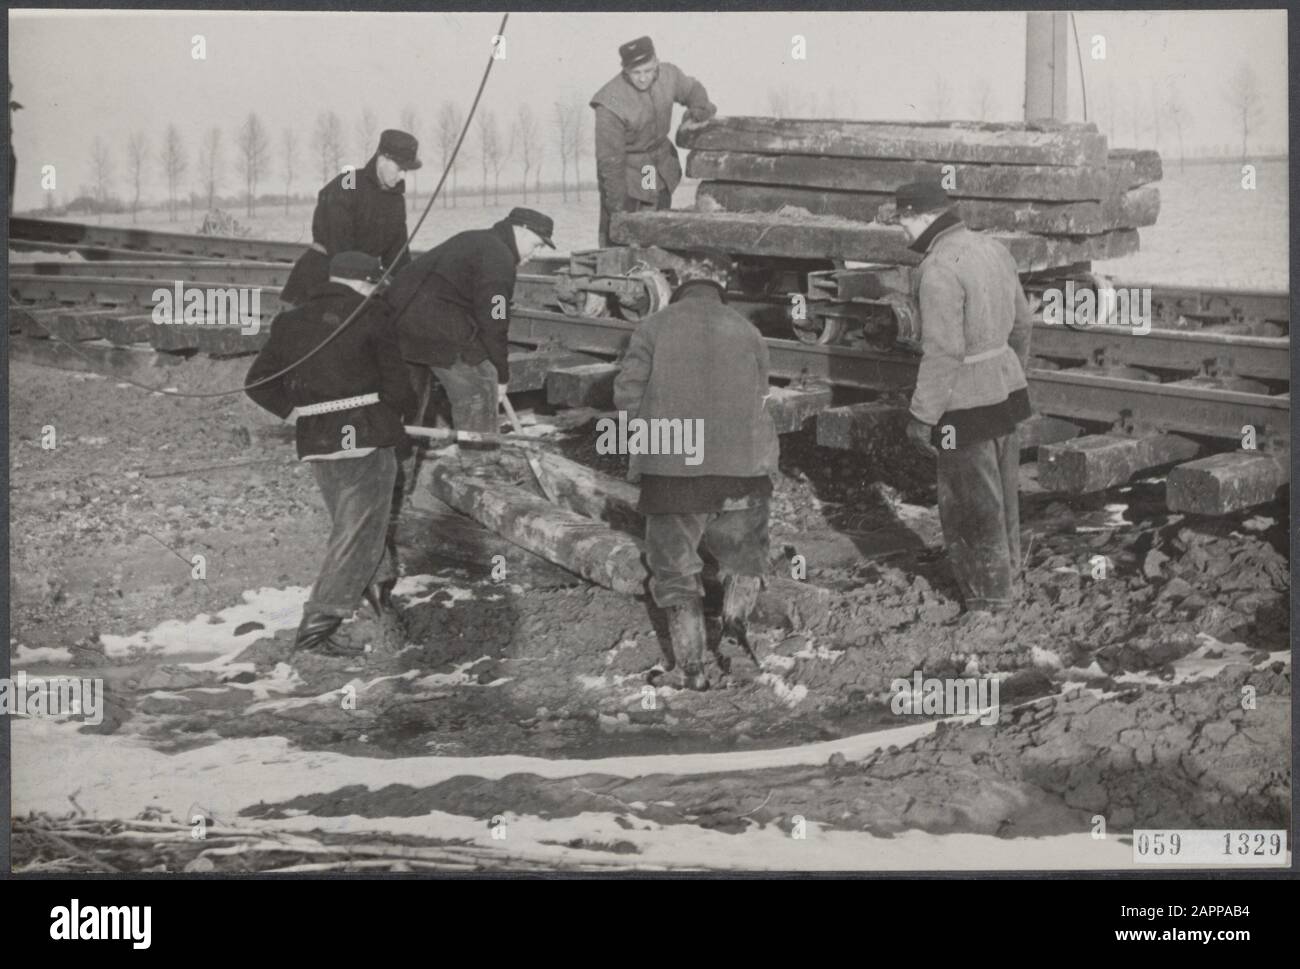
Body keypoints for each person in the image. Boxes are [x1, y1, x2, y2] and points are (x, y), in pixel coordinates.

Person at [612, 250, 779, 691]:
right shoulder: (747, 329)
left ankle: (689, 671)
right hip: (744, 470)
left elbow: (627, 396)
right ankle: (735, 638)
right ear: (720, 296)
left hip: (672, 473)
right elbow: (762, 394)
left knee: (674, 570)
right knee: (744, 559)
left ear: (678, 294)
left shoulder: (652, 326)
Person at [245, 251, 419, 655]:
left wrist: (297, 413)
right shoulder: (371, 315)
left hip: (317, 440)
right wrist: (399, 417)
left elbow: (257, 383)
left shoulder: (289, 322)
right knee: (358, 530)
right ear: (366, 282)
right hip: (364, 433)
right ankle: (317, 628)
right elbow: (397, 387)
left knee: (355, 523)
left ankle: (380, 600)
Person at [888, 181, 1033, 618]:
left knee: (968, 502)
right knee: (1004, 494)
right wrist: (1010, 371)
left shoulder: (937, 269)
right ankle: (1012, 579)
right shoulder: (993, 248)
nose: (901, 231)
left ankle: (988, 602)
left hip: (962, 407)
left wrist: (921, 416)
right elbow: (1023, 323)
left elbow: (944, 351)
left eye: (901, 221)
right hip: (1006, 391)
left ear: (918, 219)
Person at [387, 207, 555, 435]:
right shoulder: (500, 258)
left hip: (398, 318)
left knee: (411, 402)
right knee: (482, 383)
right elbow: (495, 322)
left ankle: (401, 462)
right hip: (436, 322)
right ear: (521, 231)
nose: (535, 254)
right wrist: (502, 375)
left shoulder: (475, 239)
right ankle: (481, 464)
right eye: (537, 245)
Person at [591, 35, 716, 247]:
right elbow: (610, 164)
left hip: (660, 166)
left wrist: (697, 112)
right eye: (636, 73)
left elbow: (693, 90)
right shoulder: (610, 103)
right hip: (629, 176)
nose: (643, 78)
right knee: (626, 241)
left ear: (656, 62)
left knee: (660, 228)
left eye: (648, 71)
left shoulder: (669, 75)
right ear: (625, 70)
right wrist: (619, 214)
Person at [280, 129, 420, 306]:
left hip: (359, 283)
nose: (402, 176)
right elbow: (339, 246)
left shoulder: (396, 202)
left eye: (406, 171)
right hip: (320, 280)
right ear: (382, 158)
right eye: (399, 168)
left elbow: (398, 255)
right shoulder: (348, 182)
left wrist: (407, 289)